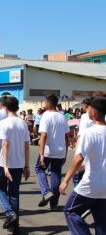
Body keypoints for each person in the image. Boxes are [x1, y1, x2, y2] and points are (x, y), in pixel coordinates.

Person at [59, 95, 106, 235]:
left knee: (70, 211)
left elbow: (78, 158)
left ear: (94, 111)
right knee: (102, 221)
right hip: (104, 186)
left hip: (90, 184)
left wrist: (65, 180)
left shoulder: (89, 132)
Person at [0, 96, 30, 233]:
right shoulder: (23, 123)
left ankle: (9, 213)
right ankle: (15, 226)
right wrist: (27, 165)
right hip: (19, 163)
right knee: (14, 193)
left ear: (5, 108)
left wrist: (6, 166)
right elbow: (27, 145)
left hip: (5, 163)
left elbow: (5, 144)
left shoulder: (3, 123)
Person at [35, 95, 69, 210]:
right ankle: (54, 203)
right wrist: (65, 153)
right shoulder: (62, 117)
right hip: (60, 151)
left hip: (48, 150)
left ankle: (46, 191)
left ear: (49, 103)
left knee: (39, 169)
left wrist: (41, 154)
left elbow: (44, 135)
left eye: (45, 102)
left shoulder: (46, 115)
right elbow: (66, 137)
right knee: (55, 174)